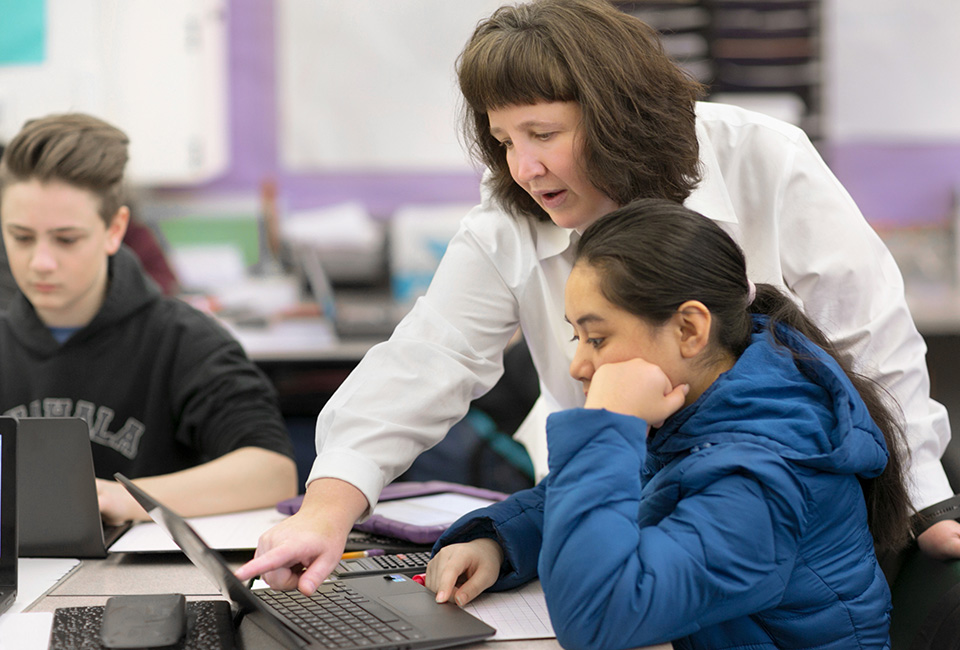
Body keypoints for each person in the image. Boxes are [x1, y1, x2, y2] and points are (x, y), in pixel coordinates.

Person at [237, 0, 959, 593]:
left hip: (769, 515)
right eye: (504, 140)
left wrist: (923, 496)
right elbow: (425, 362)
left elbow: (870, 339)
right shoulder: (508, 222)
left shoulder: (763, 158)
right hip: (615, 503)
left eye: (543, 134)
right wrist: (328, 510)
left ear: (616, 115)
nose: (524, 166)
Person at [427, 198, 911, 649]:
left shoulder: (760, 476)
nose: (578, 365)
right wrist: (497, 543)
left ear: (689, 330)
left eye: (596, 338)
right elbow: (612, 496)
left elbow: (597, 617)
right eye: (576, 337)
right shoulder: (708, 406)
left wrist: (608, 423)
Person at [0, 113, 298, 523]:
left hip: (142, 578)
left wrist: (120, 499)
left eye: (67, 239)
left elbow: (272, 472)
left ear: (115, 229)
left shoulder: (181, 340)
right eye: (21, 237)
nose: (41, 262)